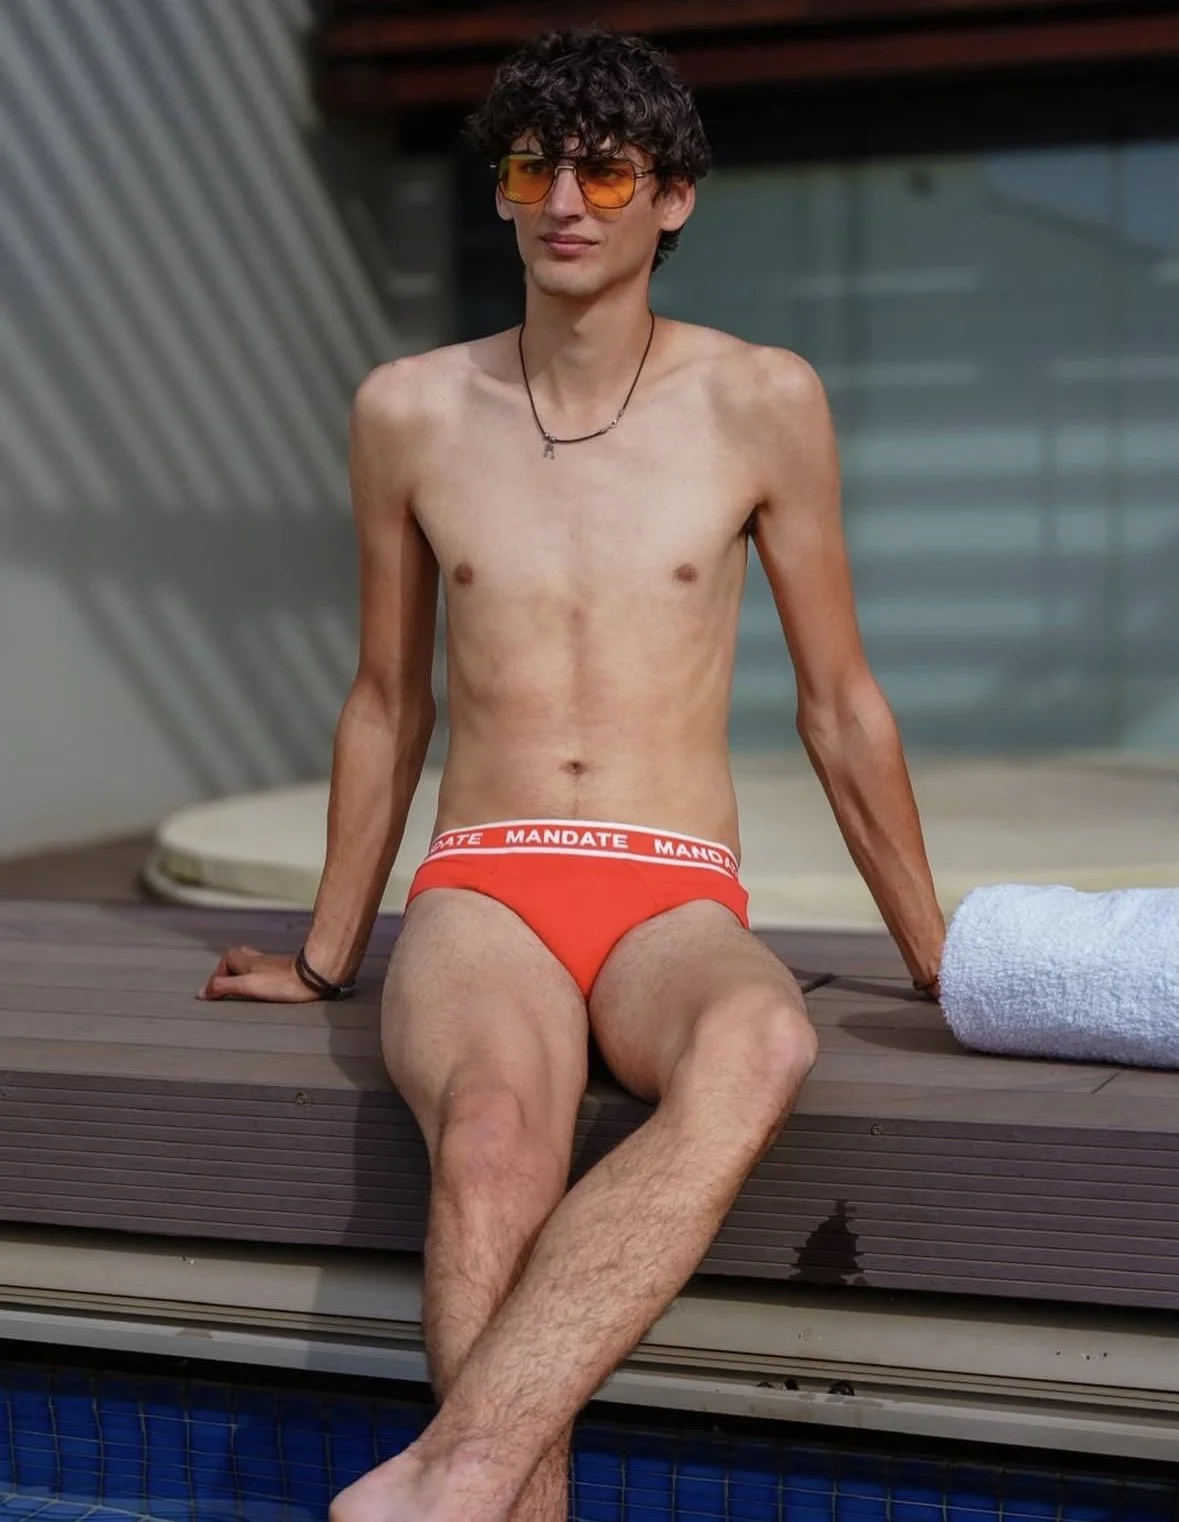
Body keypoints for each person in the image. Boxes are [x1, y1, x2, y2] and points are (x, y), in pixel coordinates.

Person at [202, 26, 945, 1522]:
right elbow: (385, 699)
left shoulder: (761, 400)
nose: (562, 202)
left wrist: (939, 960)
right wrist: (327, 954)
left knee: (763, 1043)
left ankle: (454, 1474)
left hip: (673, 889)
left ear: (672, 198)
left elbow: (841, 703)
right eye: (531, 167)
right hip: (485, 880)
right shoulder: (409, 409)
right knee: (489, 1141)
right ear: (498, 188)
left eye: (604, 172)